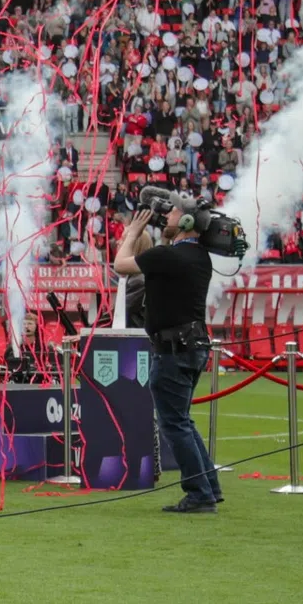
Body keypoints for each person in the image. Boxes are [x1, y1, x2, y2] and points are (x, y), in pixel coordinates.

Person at [113, 204, 222, 513]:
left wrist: (132, 233)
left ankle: (200, 493)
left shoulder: (168, 256)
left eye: (173, 214)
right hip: (193, 346)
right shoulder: (199, 256)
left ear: (186, 222)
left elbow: (120, 265)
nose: (167, 218)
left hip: (172, 350)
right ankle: (209, 486)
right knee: (182, 420)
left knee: (175, 423)